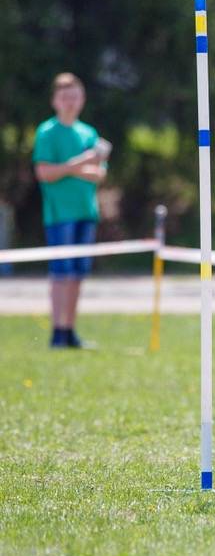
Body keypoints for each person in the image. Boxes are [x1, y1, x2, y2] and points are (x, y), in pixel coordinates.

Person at [33, 73, 109, 349]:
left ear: (82, 99)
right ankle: (57, 331)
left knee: (77, 275)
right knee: (61, 274)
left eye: (74, 96)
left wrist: (68, 168)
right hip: (59, 215)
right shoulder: (47, 132)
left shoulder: (88, 133)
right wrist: (81, 163)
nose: (70, 102)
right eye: (65, 97)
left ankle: (70, 330)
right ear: (55, 100)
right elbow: (44, 173)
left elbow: (99, 174)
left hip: (86, 212)